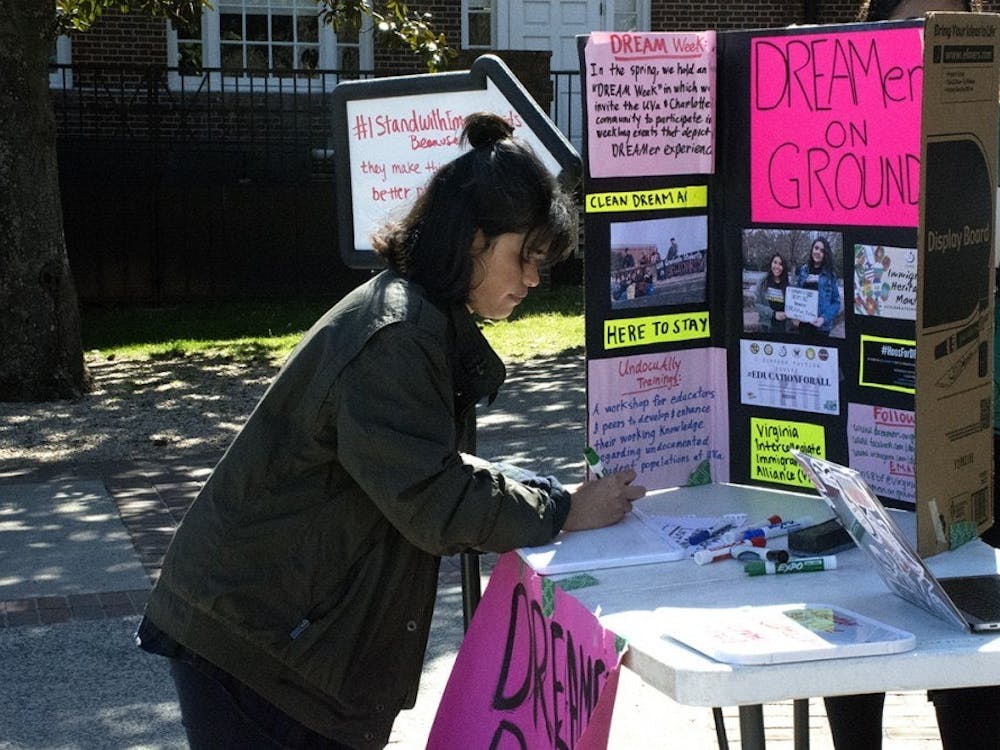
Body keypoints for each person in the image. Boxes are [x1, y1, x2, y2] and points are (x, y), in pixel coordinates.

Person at [134, 112, 646, 750]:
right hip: (260, 652)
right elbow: (434, 499)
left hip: (278, 642)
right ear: (473, 240)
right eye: (525, 257)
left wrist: (540, 495)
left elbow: (426, 471)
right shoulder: (399, 335)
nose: (535, 281)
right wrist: (565, 508)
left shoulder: (417, 316)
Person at [823, 4, 998, 747]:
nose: (932, 41)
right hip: (870, 422)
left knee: (973, 659)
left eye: (949, 21)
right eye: (916, 23)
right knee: (849, 629)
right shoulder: (849, 129)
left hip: (980, 430)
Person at [792, 236, 841, 337]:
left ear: (825, 255)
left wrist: (823, 318)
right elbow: (796, 295)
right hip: (804, 324)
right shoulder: (803, 270)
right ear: (812, 250)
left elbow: (836, 302)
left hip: (821, 327)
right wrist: (795, 315)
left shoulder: (830, 275)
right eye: (816, 248)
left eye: (822, 251)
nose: (818, 252)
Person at [754, 253, 790, 333]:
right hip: (766, 327)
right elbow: (756, 305)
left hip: (783, 329)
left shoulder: (788, 286)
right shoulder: (762, 282)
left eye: (780, 264)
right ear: (771, 264)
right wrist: (773, 314)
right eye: (775, 262)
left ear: (784, 267)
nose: (777, 266)